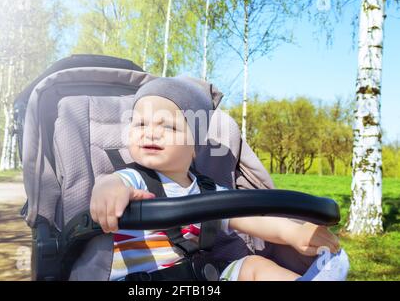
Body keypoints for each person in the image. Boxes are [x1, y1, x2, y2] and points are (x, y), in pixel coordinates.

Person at [89, 77, 349, 281]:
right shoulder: (134, 179)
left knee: (255, 266)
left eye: (167, 126)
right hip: (142, 283)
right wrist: (108, 189)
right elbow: (111, 184)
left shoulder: (208, 190)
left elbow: (253, 218)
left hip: (199, 278)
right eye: (140, 124)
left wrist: (295, 232)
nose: (150, 134)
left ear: (195, 147)